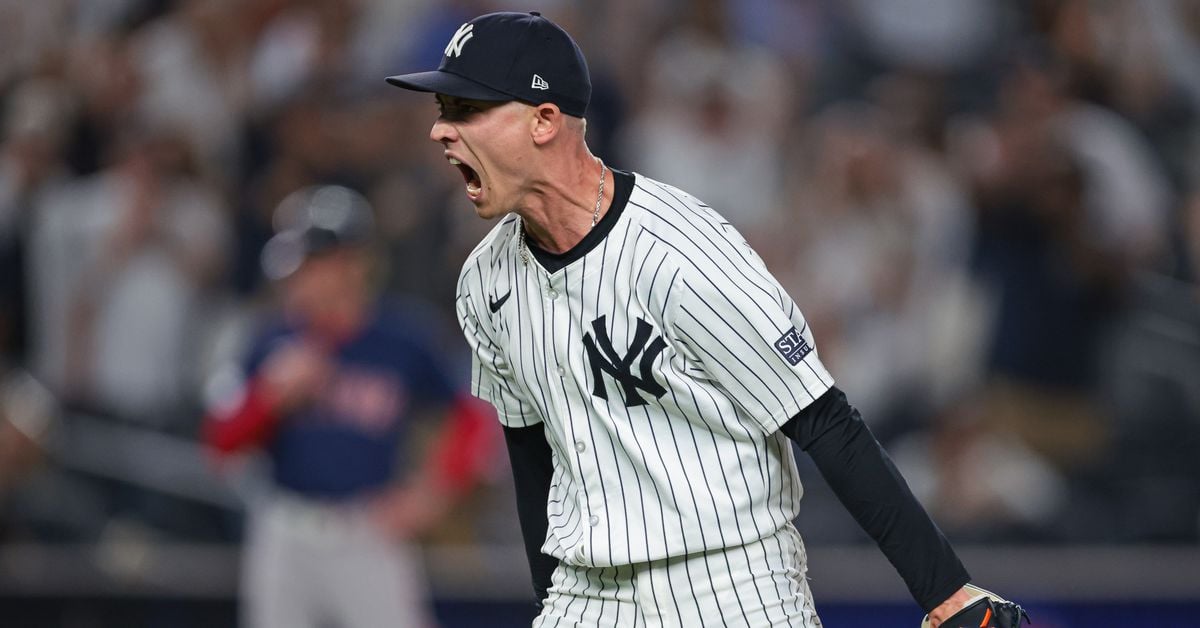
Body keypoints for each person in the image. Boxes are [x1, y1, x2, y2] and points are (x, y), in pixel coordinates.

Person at [387, 11, 1000, 627]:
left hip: (729, 585)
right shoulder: (484, 280)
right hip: (585, 593)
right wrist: (551, 603)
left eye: (465, 110)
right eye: (443, 110)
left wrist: (947, 591)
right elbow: (531, 458)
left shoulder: (680, 248)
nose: (440, 131)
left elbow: (823, 420)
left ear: (544, 120)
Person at [202, 184, 494, 628]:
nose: (296, 281)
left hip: (366, 531)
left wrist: (430, 495)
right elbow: (219, 442)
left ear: (353, 264)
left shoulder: (402, 340)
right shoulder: (272, 339)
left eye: (311, 266)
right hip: (285, 530)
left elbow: (475, 418)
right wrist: (269, 399)